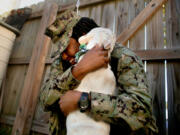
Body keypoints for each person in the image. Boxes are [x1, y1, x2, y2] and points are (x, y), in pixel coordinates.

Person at [39, 10, 158, 135]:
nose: (63, 55)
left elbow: (141, 113)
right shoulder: (62, 62)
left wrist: (83, 101)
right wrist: (78, 70)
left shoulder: (122, 57)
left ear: (83, 37)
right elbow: (44, 100)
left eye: (65, 47)